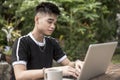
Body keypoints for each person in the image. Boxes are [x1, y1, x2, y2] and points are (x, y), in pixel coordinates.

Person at [11, 2, 83, 80]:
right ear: (37, 19)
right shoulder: (22, 42)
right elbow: (20, 75)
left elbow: (68, 64)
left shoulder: (52, 42)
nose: (53, 26)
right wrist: (55, 71)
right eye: (49, 22)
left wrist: (77, 63)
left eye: (54, 23)